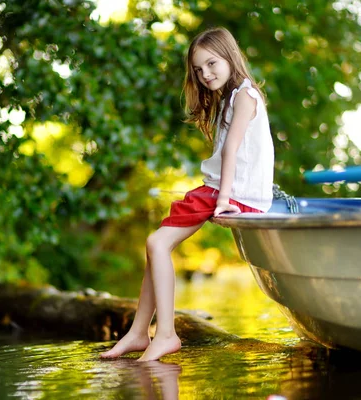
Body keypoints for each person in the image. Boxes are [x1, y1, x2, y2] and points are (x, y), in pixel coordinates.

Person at [100, 27, 274, 361]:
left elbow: (232, 150)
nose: (205, 74)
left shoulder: (245, 96)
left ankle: (165, 334)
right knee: (157, 245)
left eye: (211, 64)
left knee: (156, 243)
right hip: (225, 189)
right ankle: (139, 333)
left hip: (235, 194)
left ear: (230, 56)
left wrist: (223, 200)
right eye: (198, 69)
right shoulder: (232, 96)